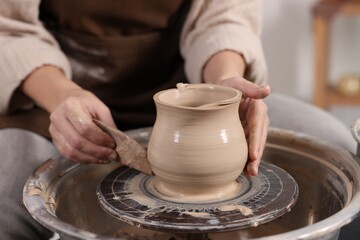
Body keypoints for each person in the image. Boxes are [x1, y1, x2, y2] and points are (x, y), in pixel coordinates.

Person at [0, 0, 356, 239]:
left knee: (336, 146)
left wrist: (224, 83)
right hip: (55, 97)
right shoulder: (58, 97)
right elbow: (8, 26)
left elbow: (224, 13)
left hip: (192, 85)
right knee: (5, 192)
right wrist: (62, 96)